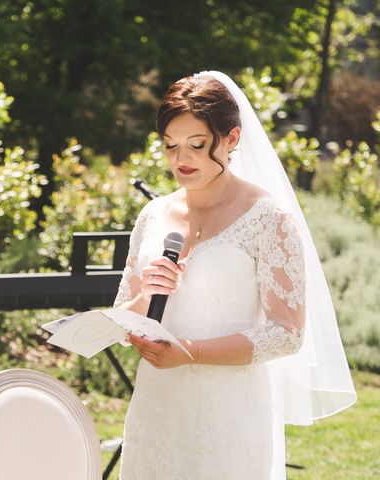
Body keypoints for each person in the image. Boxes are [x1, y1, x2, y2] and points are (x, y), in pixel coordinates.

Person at [114, 71, 357, 479]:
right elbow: (123, 314)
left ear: (232, 139)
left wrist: (189, 352)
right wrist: (144, 299)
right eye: (170, 146)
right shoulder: (152, 216)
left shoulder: (269, 219)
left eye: (196, 145)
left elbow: (286, 333)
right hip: (157, 407)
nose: (181, 159)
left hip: (229, 411)